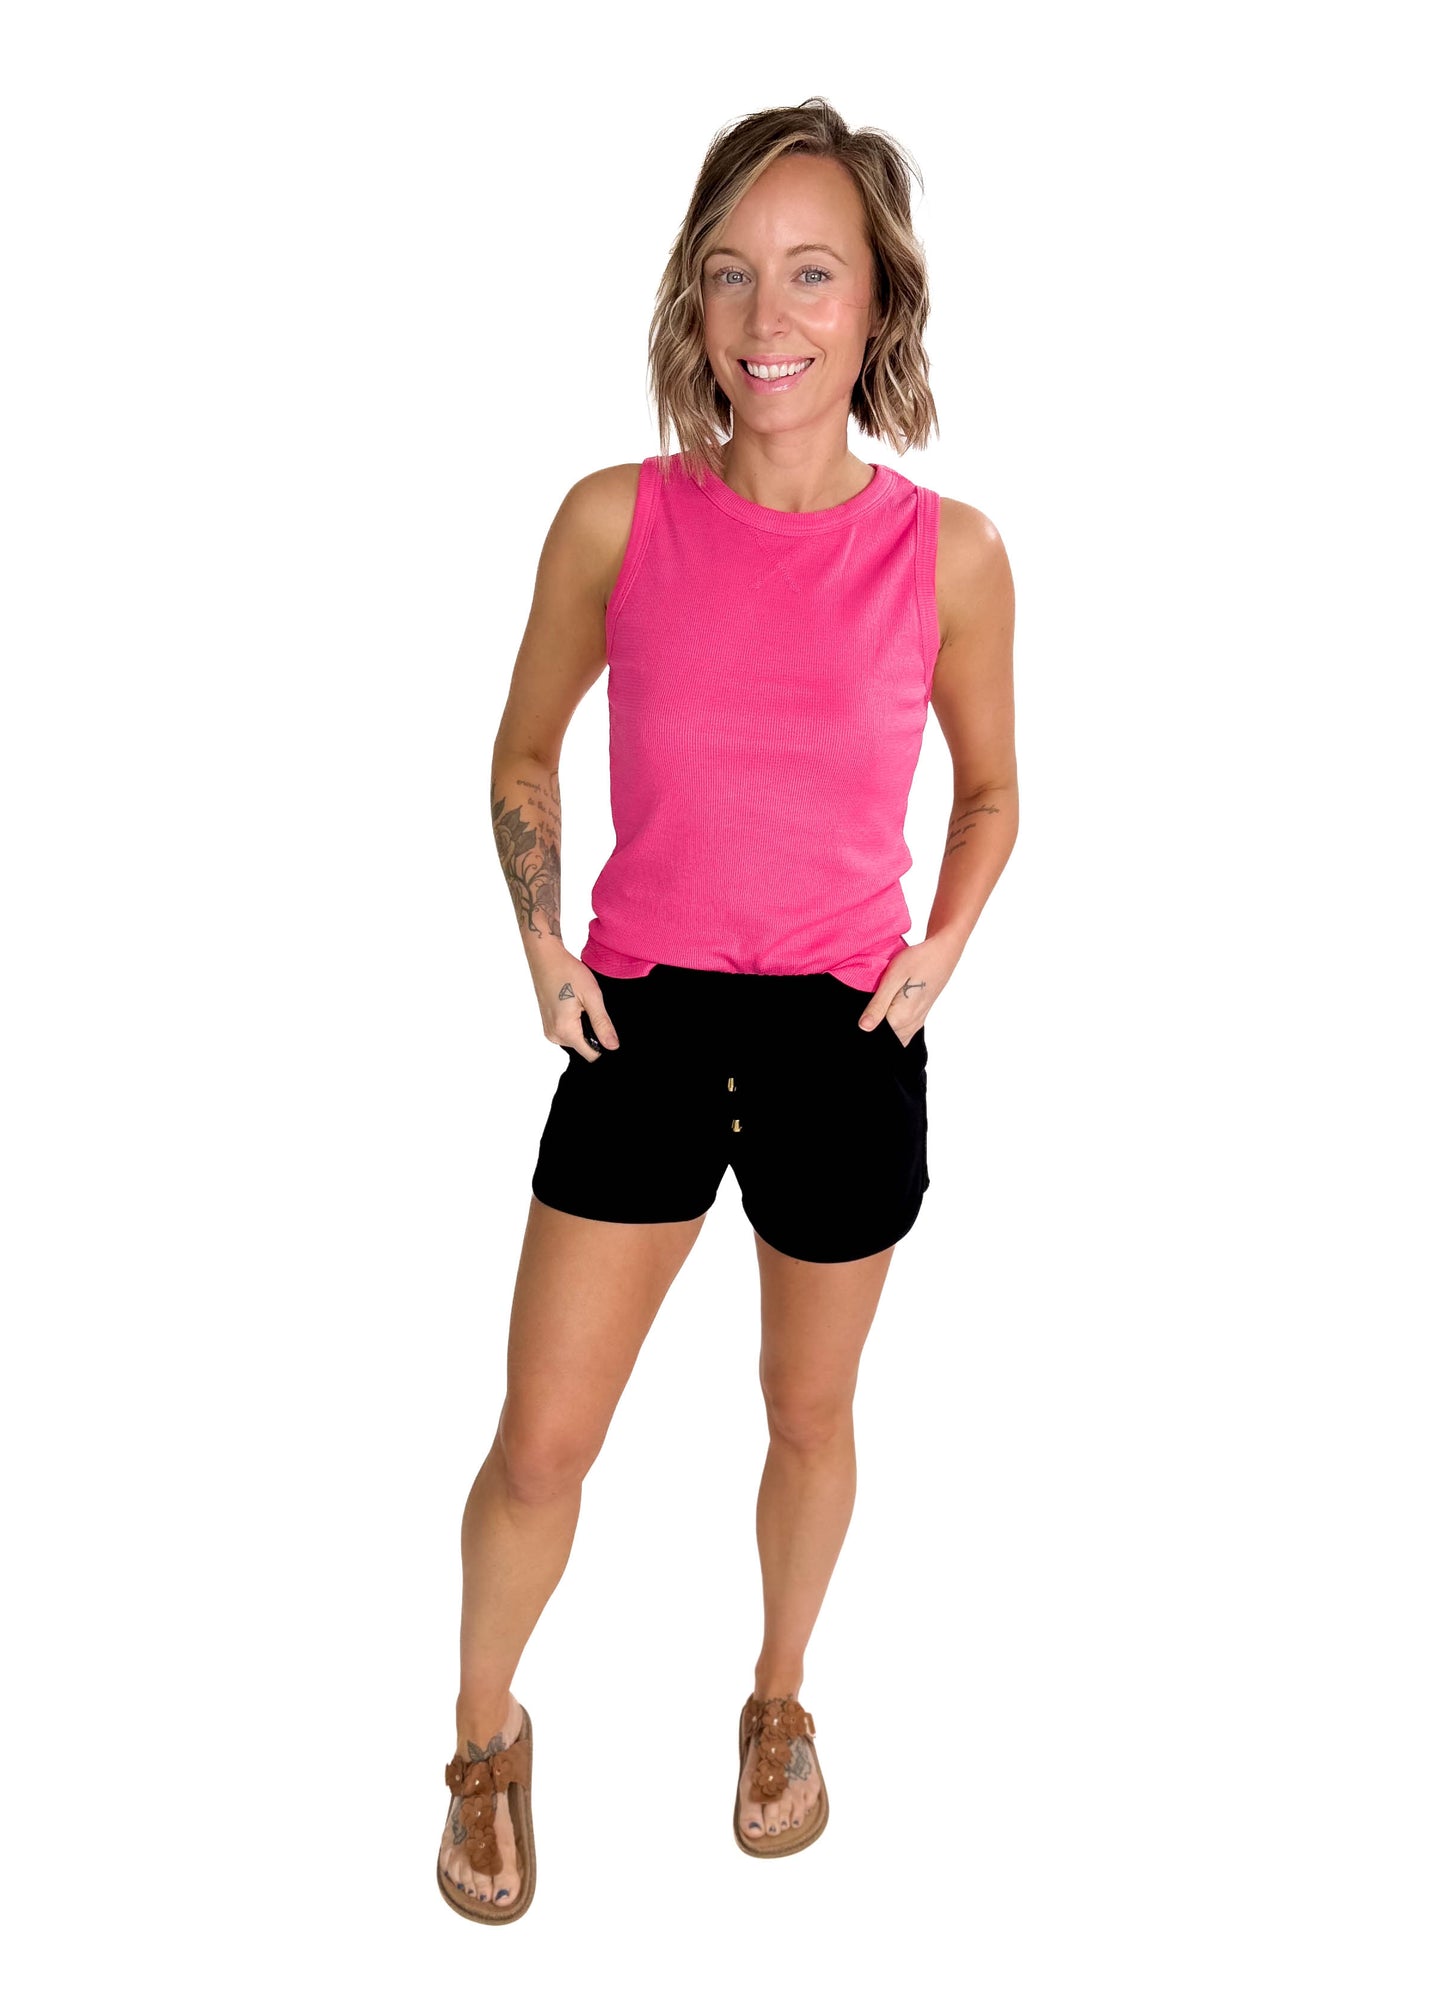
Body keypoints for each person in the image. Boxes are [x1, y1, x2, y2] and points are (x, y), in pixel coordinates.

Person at [437, 96, 1017, 1924]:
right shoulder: (615, 521)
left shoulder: (951, 555)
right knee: (543, 1439)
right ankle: (482, 1732)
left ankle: (778, 1703)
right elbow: (524, 748)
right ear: (694, 304)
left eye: (813, 273)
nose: (770, 315)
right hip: (644, 1029)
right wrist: (544, 942)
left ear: (877, 304)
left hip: (847, 1038)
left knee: (808, 1415)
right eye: (731, 274)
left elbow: (994, 791)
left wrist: (942, 944)